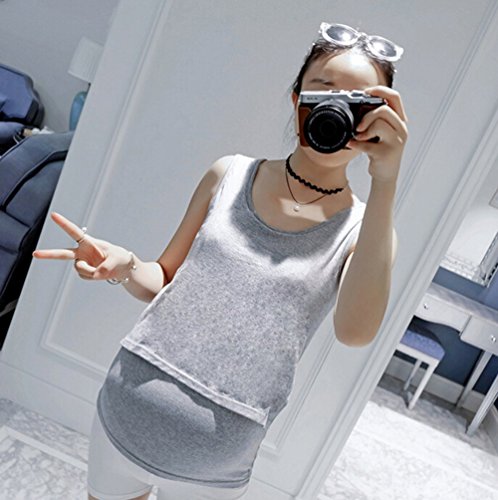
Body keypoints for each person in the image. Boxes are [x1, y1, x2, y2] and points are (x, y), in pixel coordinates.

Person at [32, 22, 408, 500]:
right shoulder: (228, 174)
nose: (335, 110)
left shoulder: (366, 232)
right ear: (297, 98)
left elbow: (355, 332)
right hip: (124, 416)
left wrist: (386, 180)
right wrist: (125, 264)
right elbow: (162, 279)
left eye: (358, 104)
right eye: (323, 91)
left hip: (216, 468)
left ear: (378, 121)